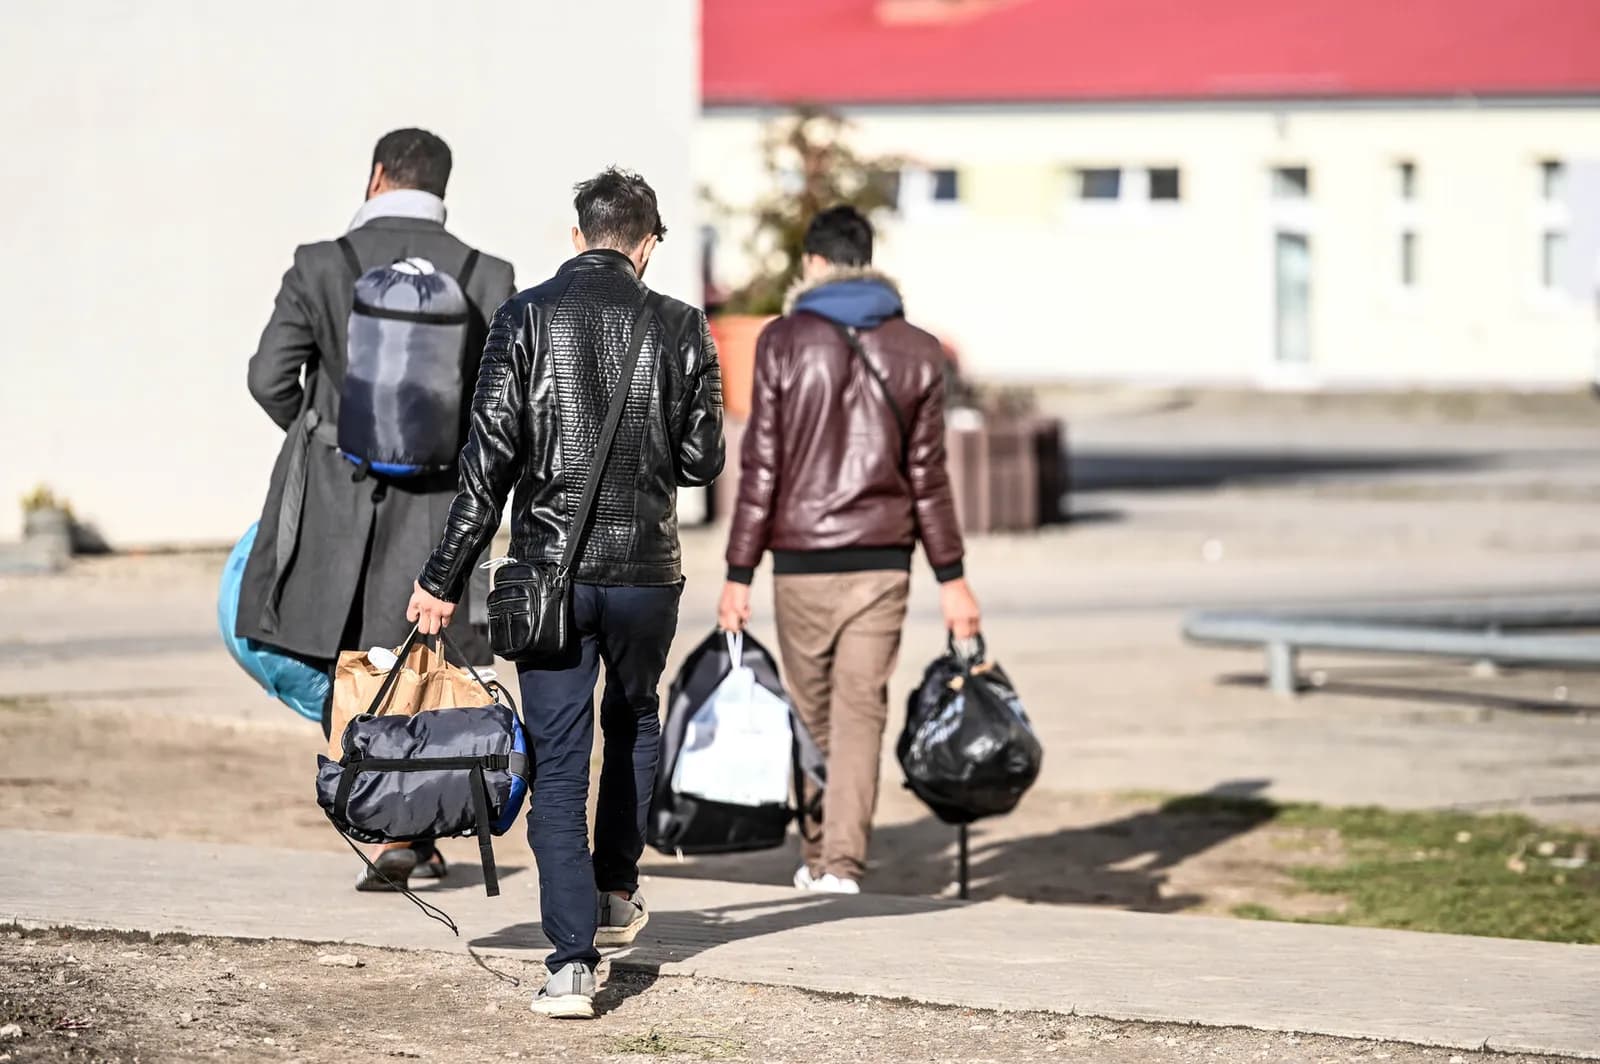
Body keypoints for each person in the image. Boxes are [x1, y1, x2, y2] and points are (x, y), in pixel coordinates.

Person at [407, 168, 725, 1018]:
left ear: (578, 235)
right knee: (635, 718)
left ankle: (572, 965)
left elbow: (485, 470)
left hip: (546, 581)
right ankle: (617, 890)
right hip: (646, 575)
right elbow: (703, 463)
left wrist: (442, 579)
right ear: (647, 243)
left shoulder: (523, 317)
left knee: (556, 764)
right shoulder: (684, 326)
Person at [237, 128, 515, 890]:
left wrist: (325, 437)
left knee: (348, 662)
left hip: (337, 501)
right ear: (442, 188)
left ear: (376, 177)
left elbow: (268, 379)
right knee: (423, 668)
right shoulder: (487, 274)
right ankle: (411, 828)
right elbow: (502, 408)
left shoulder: (320, 264)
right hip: (442, 506)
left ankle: (386, 819)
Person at [717, 205, 980, 896]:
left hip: (799, 564)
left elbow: (762, 466)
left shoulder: (781, 340)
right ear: (868, 261)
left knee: (812, 715)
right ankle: (840, 865)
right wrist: (952, 578)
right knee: (861, 710)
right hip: (882, 563)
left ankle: (819, 859)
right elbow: (928, 476)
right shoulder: (918, 349)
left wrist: (738, 572)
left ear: (813, 263)